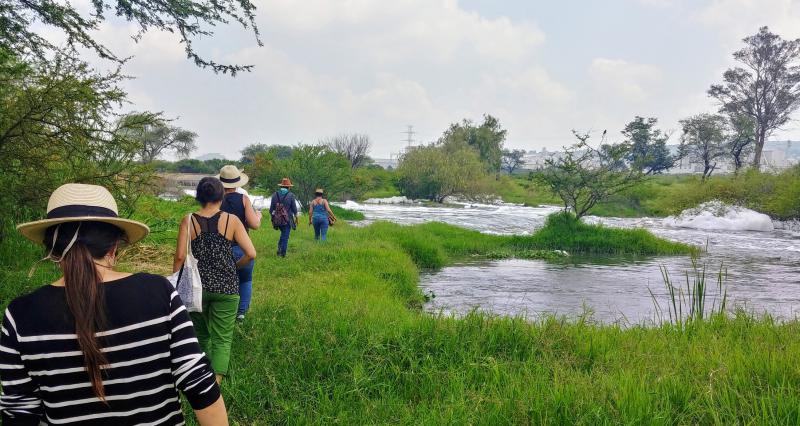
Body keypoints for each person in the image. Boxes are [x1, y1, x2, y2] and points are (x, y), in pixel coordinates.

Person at [3, 183, 228, 424]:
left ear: (53, 250)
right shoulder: (159, 293)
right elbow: (198, 382)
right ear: (114, 246)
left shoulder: (20, 316)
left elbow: (20, 413)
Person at [174, 177, 256, 384]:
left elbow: (180, 257)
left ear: (199, 197)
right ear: (221, 196)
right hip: (227, 288)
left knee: (200, 335)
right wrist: (234, 266)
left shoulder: (188, 220)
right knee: (223, 338)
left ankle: (202, 371)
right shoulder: (232, 220)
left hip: (196, 288)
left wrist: (176, 282)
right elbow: (251, 253)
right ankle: (216, 382)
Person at [217, 165, 261, 322]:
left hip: (220, 248)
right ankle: (241, 312)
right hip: (241, 247)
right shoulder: (244, 199)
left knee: (223, 281)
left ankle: (223, 312)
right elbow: (254, 224)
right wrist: (258, 216)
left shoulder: (215, 201)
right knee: (246, 279)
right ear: (237, 183)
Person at [269, 178, 298, 257]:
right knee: (285, 236)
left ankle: (279, 250)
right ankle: (282, 254)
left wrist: (273, 218)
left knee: (283, 234)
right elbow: (294, 208)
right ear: (289, 187)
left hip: (277, 219)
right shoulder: (291, 195)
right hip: (287, 219)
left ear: (281, 186)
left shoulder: (275, 194)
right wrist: (296, 217)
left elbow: (271, 209)